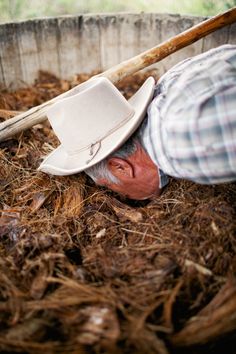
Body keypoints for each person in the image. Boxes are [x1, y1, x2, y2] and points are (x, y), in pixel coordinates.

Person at [38, 44, 236, 200]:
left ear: (120, 167)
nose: (123, 196)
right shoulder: (169, 82)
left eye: (110, 187)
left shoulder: (181, 146)